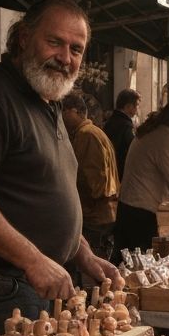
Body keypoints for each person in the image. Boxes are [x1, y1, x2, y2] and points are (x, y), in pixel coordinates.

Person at [0, 0, 122, 328]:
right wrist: (33, 259)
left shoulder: (49, 101)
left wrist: (81, 251)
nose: (65, 58)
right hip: (0, 287)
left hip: (39, 279)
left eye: (76, 49)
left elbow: (37, 191)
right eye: (55, 42)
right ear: (24, 38)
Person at [115, 92, 169, 254]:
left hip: (133, 211)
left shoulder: (160, 133)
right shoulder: (165, 139)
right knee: (138, 272)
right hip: (141, 216)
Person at [61, 92, 119, 262]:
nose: (61, 116)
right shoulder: (92, 132)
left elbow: (95, 179)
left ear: (76, 111)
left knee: (90, 265)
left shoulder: (87, 134)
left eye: (65, 111)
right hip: (100, 213)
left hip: (95, 214)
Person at [102, 88, 141, 180]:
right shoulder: (126, 125)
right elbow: (133, 148)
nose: (137, 109)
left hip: (110, 170)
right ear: (128, 106)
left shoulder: (111, 121)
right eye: (137, 106)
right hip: (121, 172)